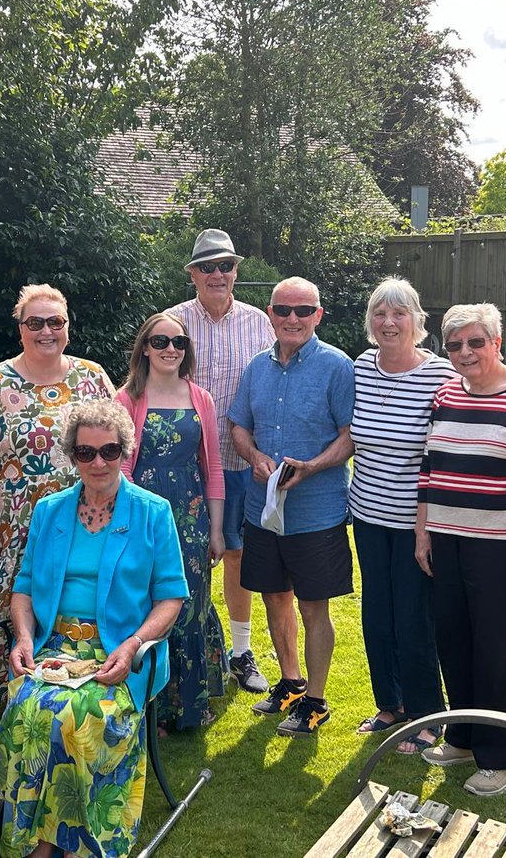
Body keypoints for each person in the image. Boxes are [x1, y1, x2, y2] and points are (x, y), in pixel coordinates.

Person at [0, 400, 187, 858]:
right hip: (54, 646)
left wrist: (136, 643)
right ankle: (45, 840)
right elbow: (23, 587)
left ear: (125, 452)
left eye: (109, 451)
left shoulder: (152, 512)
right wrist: (23, 636)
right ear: (72, 456)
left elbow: (171, 596)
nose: (98, 462)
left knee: (77, 717)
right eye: (85, 453)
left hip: (119, 650)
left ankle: (68, 841)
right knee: (30, 707)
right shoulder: (50, 511)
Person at [0, 283, 114, 719]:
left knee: (75, 598)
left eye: (56, 321)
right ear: (20, 329)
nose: (46, 330)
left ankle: (82, 690)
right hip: (17, 523)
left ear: (68, 327)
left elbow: (114, 445)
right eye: (36, 323)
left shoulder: (91, 377)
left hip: (85, 519)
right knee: (14, 604)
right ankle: (6, 704)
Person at [413, 303, 506, 796]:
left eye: (475, 342)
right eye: (454, 345)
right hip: (445, 539)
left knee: (495, 649)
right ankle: (463, 738)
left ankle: (505, 756)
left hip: (503, 545)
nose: (465, 352)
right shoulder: (445, 394)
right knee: (453, 640)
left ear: (497, 342)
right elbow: (429, 468)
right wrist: (424, 532)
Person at [227, 277, 354, 737]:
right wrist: (254, 456)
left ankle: (316, 701)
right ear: (270, 314)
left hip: (315, 512)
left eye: (304, 310)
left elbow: (350, 435)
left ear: (319, 315)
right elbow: (238, 424)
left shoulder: (337, 366)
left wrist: (315, 466)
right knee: (274, 597)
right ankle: (291, 682)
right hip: (263, 509)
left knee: (313, 607)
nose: (293, 319)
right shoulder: (256, 368)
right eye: (283, 310)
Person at [348, 278, 455, 750]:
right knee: (378, 613)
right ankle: (389, 705)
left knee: (415, 618)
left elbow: (441, 457)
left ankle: (426, 713)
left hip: (416, 522)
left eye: (399, 314)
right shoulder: (361, 367)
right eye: (379, 314)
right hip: (368, 514)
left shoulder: (440, 377)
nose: (388, 323)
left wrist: (425, 528)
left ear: (417, 321)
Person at [167, 228, 275, 694]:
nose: (217, 274)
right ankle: (179, 649)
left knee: (237, 555)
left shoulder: (259, 322)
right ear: (192, 273)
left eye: (225, 265)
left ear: (236, 271)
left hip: (243, 459)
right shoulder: (171, 323)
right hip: (182, 463)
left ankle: (239, 652)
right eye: (207, 266)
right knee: (181, 558)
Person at [115, 312, 227, 733]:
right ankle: (154, 708)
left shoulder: (201, 398)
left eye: (178, 342)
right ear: (145, 347)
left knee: (191, 604)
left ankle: (191, 705)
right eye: (160, 342)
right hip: (144, 513)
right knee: (150, 603)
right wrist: (128, 521)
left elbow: (212, 466)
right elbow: (121, 467)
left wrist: (215, 529)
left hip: (192, 514)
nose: (170, 350)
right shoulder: (126, 399)